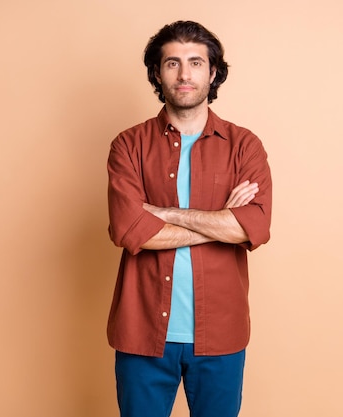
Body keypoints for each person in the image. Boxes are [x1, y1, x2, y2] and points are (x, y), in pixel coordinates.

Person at [106, 20, 272, 417]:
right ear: (157, 74)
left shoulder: (244, 146)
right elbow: (131, 231)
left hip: (221, 335)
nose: (184, 75)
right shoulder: (128, 146)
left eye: (196, 63)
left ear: (212, 73)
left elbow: (256, 229)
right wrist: (223, 223)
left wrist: (163, 214)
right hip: (142, 331)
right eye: (172, 63)